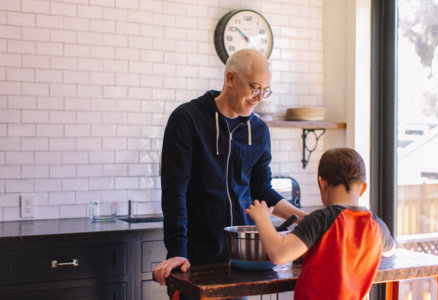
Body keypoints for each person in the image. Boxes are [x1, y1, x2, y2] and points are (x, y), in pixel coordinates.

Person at [153, 48, 307, 296]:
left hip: (241, 260)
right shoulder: (187, 119)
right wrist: (177, 252)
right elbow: (175, 192)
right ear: (231, 78)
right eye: (254, 88)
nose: (259, 98)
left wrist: (303, 219)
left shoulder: (258, 131)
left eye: (264, 91)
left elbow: (261, 190)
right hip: (195, 259)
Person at [246, 147, 396, 300]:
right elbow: (390, 251)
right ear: (363, 188)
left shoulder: (320, 220)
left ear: (322, 184)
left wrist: (262, 218)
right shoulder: (377, 225)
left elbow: (279, 254)